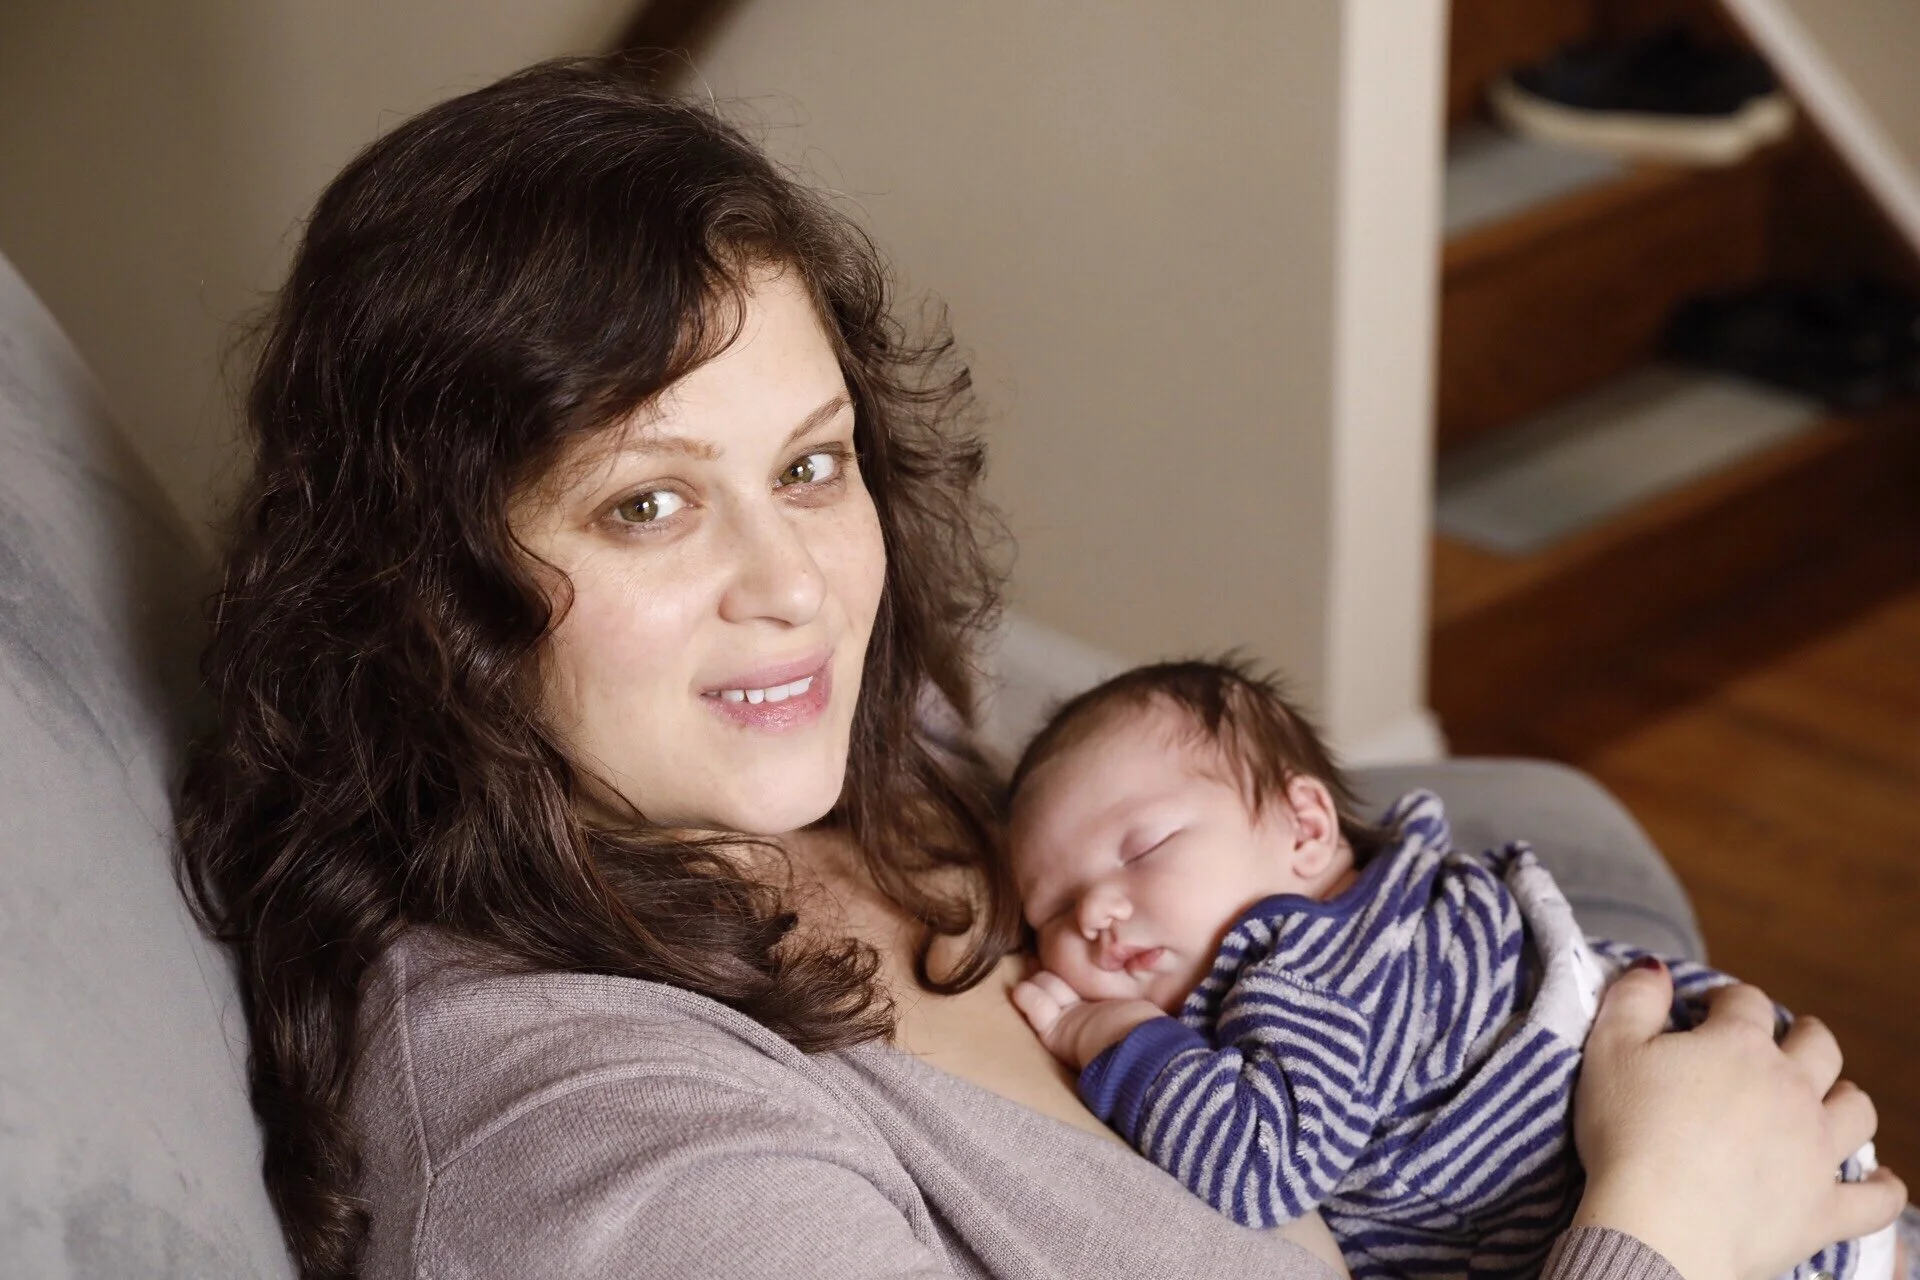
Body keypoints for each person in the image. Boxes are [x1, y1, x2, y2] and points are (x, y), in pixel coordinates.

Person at [173, 56, 1907, 1280]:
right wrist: (1667, 1220)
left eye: (812, 463)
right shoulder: (604, 1149)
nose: (797, 586)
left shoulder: (853, 756)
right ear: (422, 589)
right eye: (648, 503)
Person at [1005, 660, 1899, 1280]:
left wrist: (1116, 1037)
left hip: (1748, 1226)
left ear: (1306, 829)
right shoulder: (1407, 902)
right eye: (1053, 910)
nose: (1096, 912)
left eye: (1144, 848)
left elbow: (1261, 1162)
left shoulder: (1311, 967)